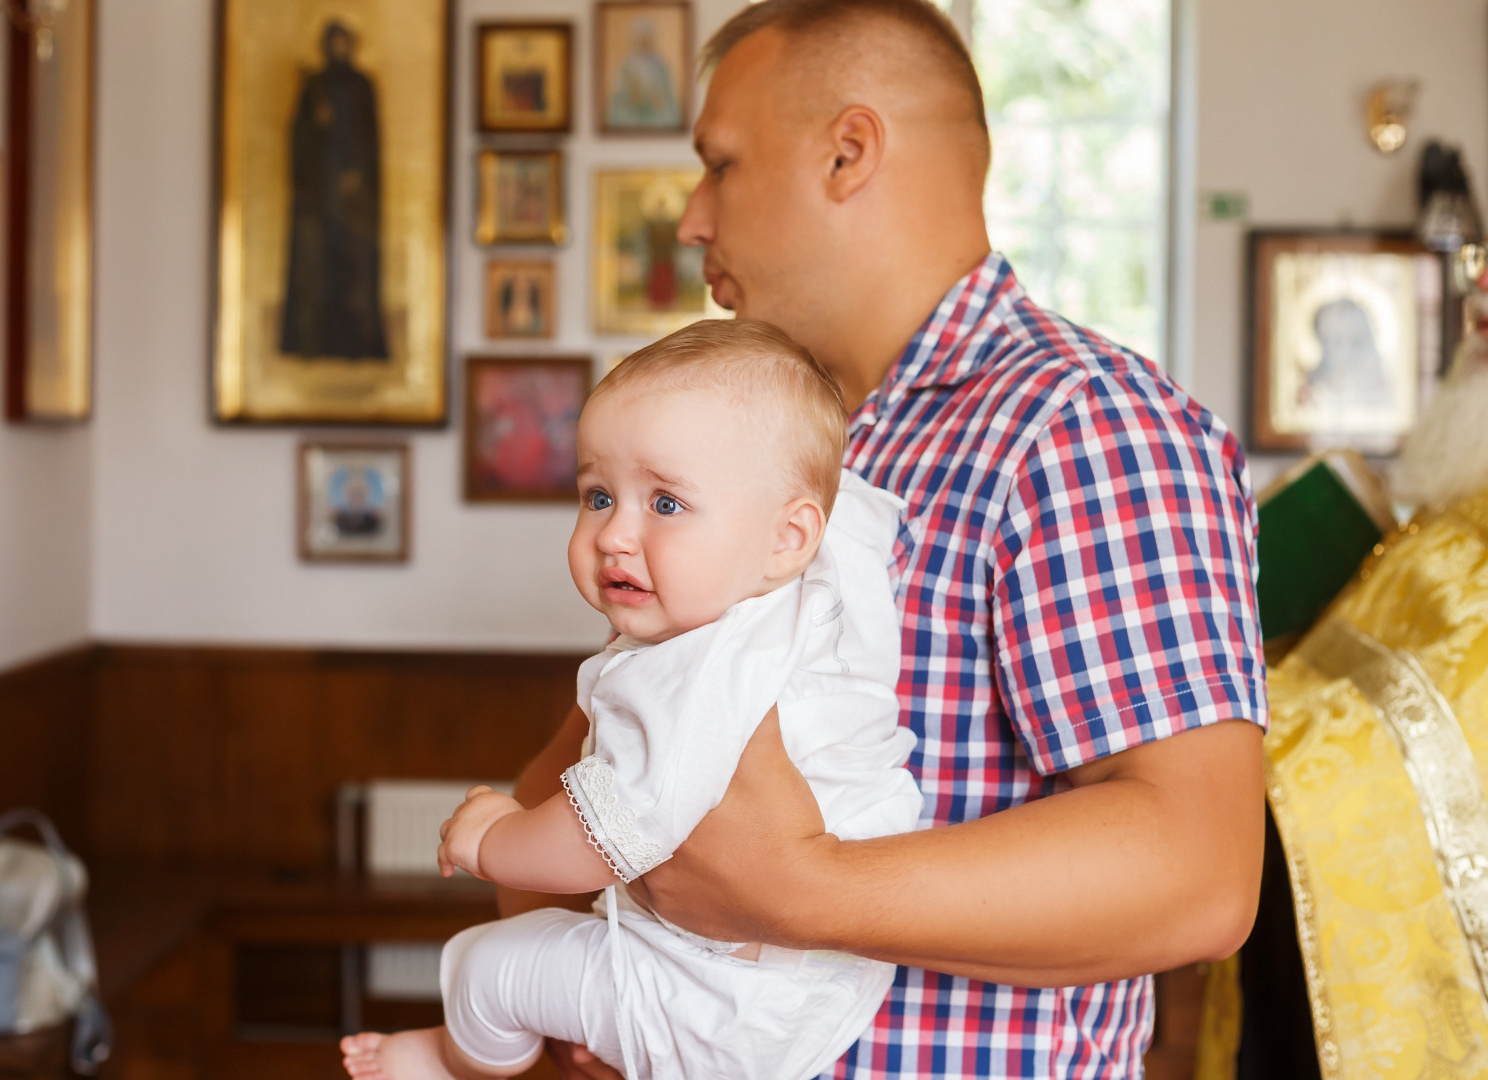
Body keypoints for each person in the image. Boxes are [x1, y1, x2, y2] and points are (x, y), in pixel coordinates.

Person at [505, 2, 1269, 1078]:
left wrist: (796, 892)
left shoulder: (1080, 421)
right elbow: (604, 752)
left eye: (720, 164)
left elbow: (1198, 871)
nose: (690, 216)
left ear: (848, 150)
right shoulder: (778, 443)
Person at [339, 320, 922, 1080]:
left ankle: (453, 1062)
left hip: (717, 1000)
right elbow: (853, 511)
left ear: (788, 537)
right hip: (805, 980)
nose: (615, 534)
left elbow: (612, 835)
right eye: (599, 494)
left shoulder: (694, 670)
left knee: (485, 966)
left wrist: (492, 841)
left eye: (667, 504)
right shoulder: (821, 577)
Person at [280, 20, 388, 360]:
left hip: (354, 198)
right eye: (333, 43)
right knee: (318, 267)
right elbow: (298, 141)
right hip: (320, 194)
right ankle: (313, 343)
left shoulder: (361, 86)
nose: (339, 49)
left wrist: (357, 172)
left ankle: (357, 343)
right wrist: (318, 126)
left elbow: (370, 140)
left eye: (344, 43)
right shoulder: (313, 86)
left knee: (354, 267)